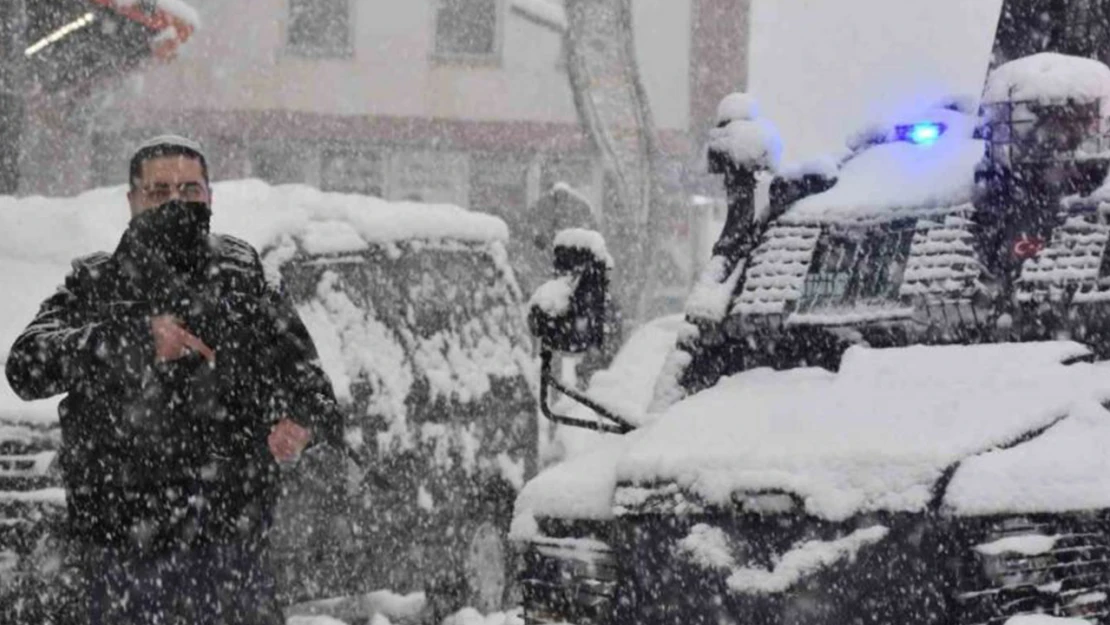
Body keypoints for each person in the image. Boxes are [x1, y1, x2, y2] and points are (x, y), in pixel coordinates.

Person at [5, 135, 343, 625]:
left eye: (189, 191)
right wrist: (135, 342)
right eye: (159, 192)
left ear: (209, 196)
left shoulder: (243, 278)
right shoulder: (99, 284)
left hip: (229, 552)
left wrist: (299, 426)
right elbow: (26, 366)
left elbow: (311, 387)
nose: (175, 204)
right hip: (119, 554)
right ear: (132, 200)